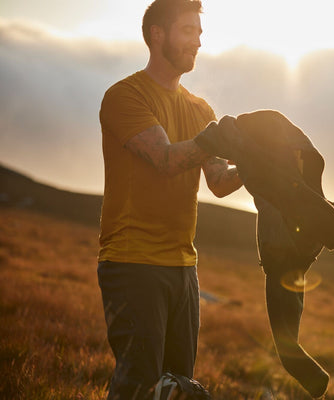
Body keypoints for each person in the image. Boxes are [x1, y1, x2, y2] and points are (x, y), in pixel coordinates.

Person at [97, 0, 243, 398]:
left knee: (177, 386)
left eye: (199, 32)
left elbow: (218, 181)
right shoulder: (125, 97)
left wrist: (257, 162)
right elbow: (164, 158)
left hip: (183, 268)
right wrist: (214, 139)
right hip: (132, 262)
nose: (197, 41)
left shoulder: (199, 109)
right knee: (139, 384)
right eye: (187, 31)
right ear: (157, 35)